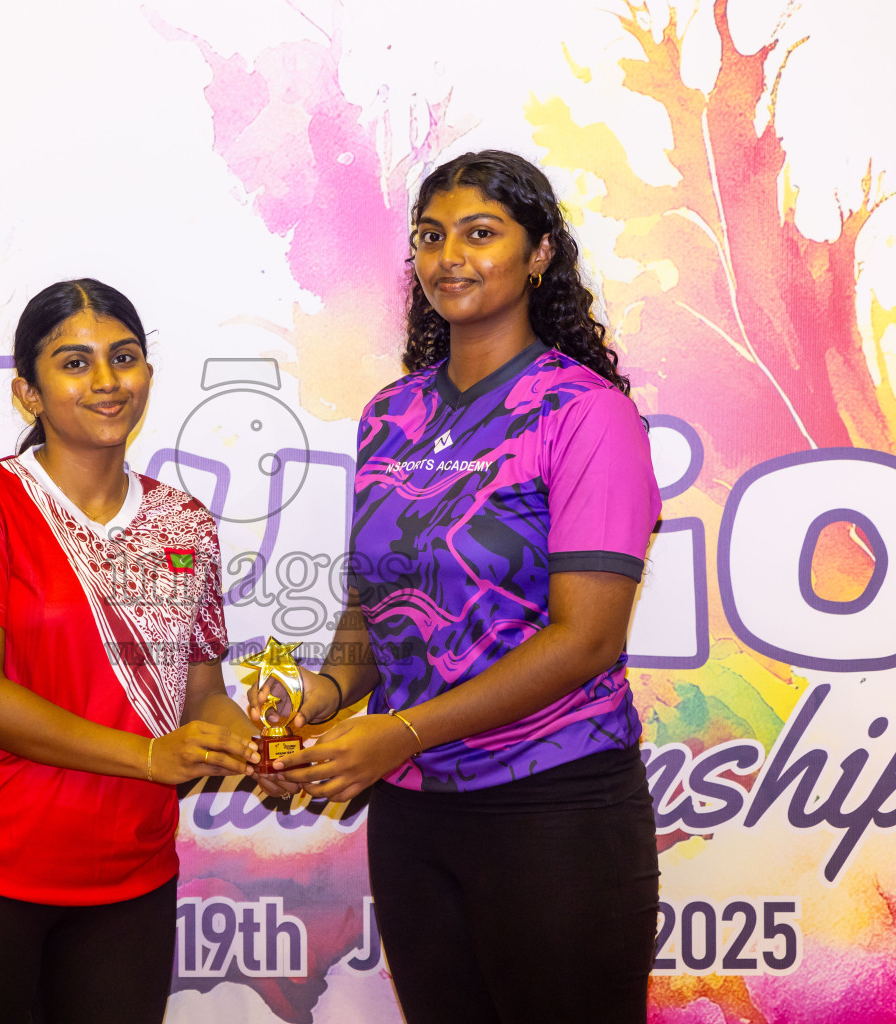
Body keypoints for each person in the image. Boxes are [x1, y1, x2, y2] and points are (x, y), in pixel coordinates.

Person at [252, 150, 662, 1022]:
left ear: (540, 252)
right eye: (431, 238)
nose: (451, 257)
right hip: (414, 815)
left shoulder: (585, 413)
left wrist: (396, 733)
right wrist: (324, 693)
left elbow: (587, 639)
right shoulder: (390, 416)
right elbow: (376, 602)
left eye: (482, 233)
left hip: (554, 805)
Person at [0, 279, 259, 1023]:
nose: (105, 381)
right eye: (74, 362)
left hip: (132, 878)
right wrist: (150, 759)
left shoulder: (183, 523)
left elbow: (200, 694)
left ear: (148, 377)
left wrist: (244, 739)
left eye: (123, 358)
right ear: (27, 393)